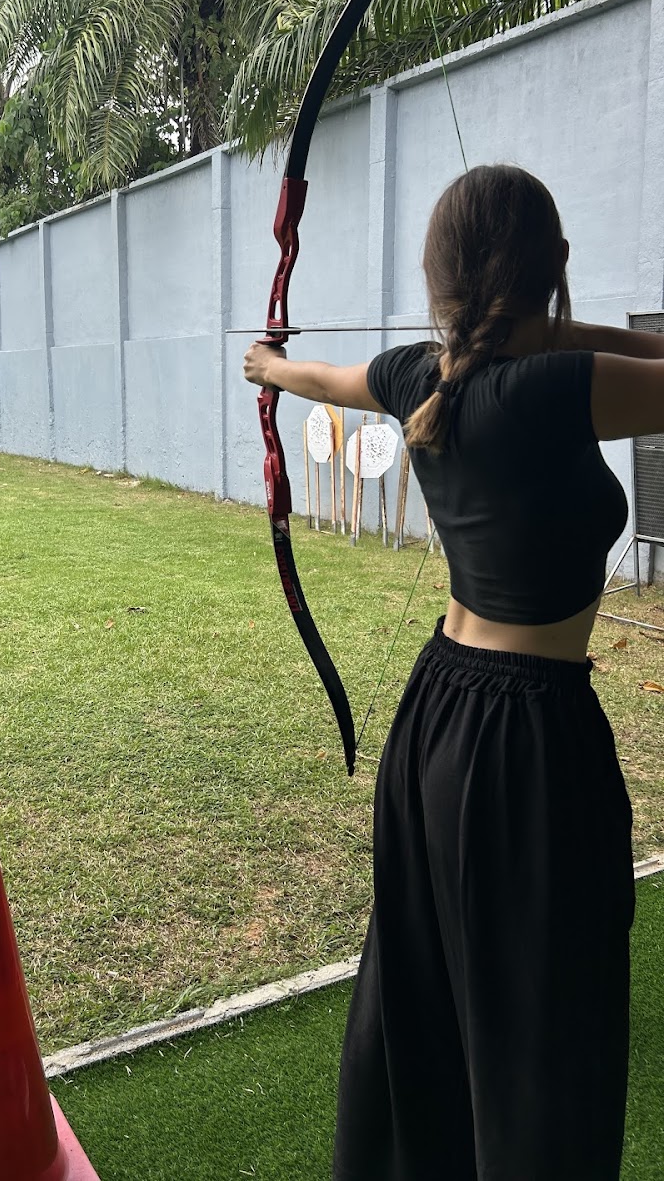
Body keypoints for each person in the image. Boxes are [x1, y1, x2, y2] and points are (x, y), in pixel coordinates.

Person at [242, 163, 657, 1180]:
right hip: (532, 739)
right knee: (541, 1015)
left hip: (433, 720)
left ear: (439, 275)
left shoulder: (413, 376)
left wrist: (263, 363)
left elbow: (310, 379)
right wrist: (562, 329)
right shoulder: (562, 383)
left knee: (427, 988)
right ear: (552, 264)